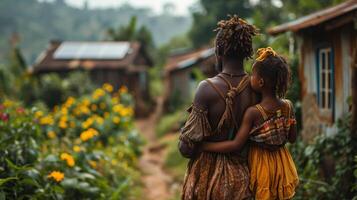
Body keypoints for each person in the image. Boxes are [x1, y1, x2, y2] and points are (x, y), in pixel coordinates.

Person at [201, 47, 299, 200]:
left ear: (260, 82)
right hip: (282, 163)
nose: (249, 77)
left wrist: (204, 146)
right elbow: (292, 138)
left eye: (252, 74)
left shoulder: (254, 112)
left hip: (262, 166)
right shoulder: (288, 106)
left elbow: (236, 145)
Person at [178, 15, 259, 200]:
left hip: (209, 181)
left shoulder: (206, 89)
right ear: (248, 52)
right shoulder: (258, 88)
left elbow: (186, 149)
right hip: (247, 179)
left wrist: (185, 137)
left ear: (218, 50)